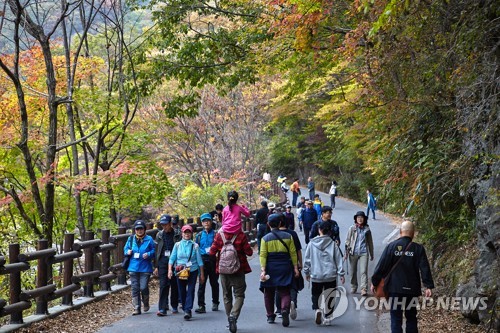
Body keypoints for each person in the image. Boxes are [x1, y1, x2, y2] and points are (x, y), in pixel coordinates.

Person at [371, 221, 434, 333]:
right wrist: (428, 286)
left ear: (400, 232)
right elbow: (424, 268)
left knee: (396, 318)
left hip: (395, 289)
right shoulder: (418, 249)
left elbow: (381, 267)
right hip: (412, 290)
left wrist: (374, 282)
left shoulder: (391, 246)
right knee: (411, 318)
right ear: (413, 233)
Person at [209, 221, 254, 333]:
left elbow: (211, 252)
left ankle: (230, 318)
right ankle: (233, 316)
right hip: (238, 270)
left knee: (226, 295)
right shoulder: (241, 235)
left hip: (223, 271)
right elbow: (249, 253)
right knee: (239, 295)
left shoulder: (220, 235)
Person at [260, 213, 299, 327]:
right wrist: (296, 268)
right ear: (280, 223)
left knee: (268, 292)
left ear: (268, 224)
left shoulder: (265, 238)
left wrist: (263, 270)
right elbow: (293, 253)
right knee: (285, 291)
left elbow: (263, 255)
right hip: (285, 266)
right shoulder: (288, 236)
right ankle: (284, 310)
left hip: (271, 267)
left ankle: (270, 316)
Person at [303, 221, 345, 326]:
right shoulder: (333, 244)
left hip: (316, 274)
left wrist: (306, 271)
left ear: (319, 230)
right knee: (330, 295)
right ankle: (327, 317)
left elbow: (307, 259)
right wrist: (341, 274)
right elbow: (338, 259)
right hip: (330, 275)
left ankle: (317, 309)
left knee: (316, 293)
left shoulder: (312, 243)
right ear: (329, 231)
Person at [168, 224, 205, 320]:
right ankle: (185, 308)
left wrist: (202, 275)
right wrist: (169, 270)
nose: (187, 234)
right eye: (185, 232)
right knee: (182, 290)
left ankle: (188, 310)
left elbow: (200, 261)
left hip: (192, 270)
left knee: (191, 289)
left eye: (189, 232)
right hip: (180, 270)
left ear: (191, 233)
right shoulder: (177, 245)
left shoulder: (195, 246)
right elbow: (172, 259)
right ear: (182, 233)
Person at [124, 220, 156, 315]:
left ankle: (145, 302)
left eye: (141, 228)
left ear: (144, 229)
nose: (139, 231)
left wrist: (149, 254)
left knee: (143, 287)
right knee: (134, 288)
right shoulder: (131, 239)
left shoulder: (149, 239)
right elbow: (125, 249)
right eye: (137, 229)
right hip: (133, 267)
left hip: (145, 267)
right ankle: (136, 308)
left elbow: (155, 250)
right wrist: (127, 252)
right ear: (135, 230)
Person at [275, 216, 303, 321]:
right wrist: (300, 263)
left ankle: (279, 309)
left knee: (279, 287)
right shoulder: (293, 234)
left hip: (277, 265)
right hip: (292, 263)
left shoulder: (272, 235)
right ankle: (293, 304)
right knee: (293, 286)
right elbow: (298, 250)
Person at [154, 214, 180, 316]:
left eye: (166, 224)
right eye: (162, 225)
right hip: (163, 262)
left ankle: (174, 305)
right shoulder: (159, 235)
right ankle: (162, 308)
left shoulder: (177, 234)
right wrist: (156, 266)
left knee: (174, 284)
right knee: (163, 285)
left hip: (175, 262)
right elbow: (157, 251)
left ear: (170, 224)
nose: (164, 226)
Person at [344, 211, 374, 296]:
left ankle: (363, 288)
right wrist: (347, 251)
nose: (360, 219)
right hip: (353, 252)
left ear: (364, 219)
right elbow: (347, 240)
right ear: (356, 219)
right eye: (358, 218)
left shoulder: (367, 229)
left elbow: (370, 242)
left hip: (364, 252)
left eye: (361, 217)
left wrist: (371, 254)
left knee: (363, 271)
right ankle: (353, 286)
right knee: (353, 271)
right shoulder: (352, 228)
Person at [195, 213, 220, 313]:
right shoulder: (199, 235)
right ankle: (201, 305)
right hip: (202, 260)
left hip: (213, 260)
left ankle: (215, 302)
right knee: (201, 283)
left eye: (208, 221)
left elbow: (219, 246)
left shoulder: (216, 234)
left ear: (211, 222)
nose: (206, 223)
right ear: (202, 223)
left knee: (214, 283)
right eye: (204, 221)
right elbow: (196, 249)